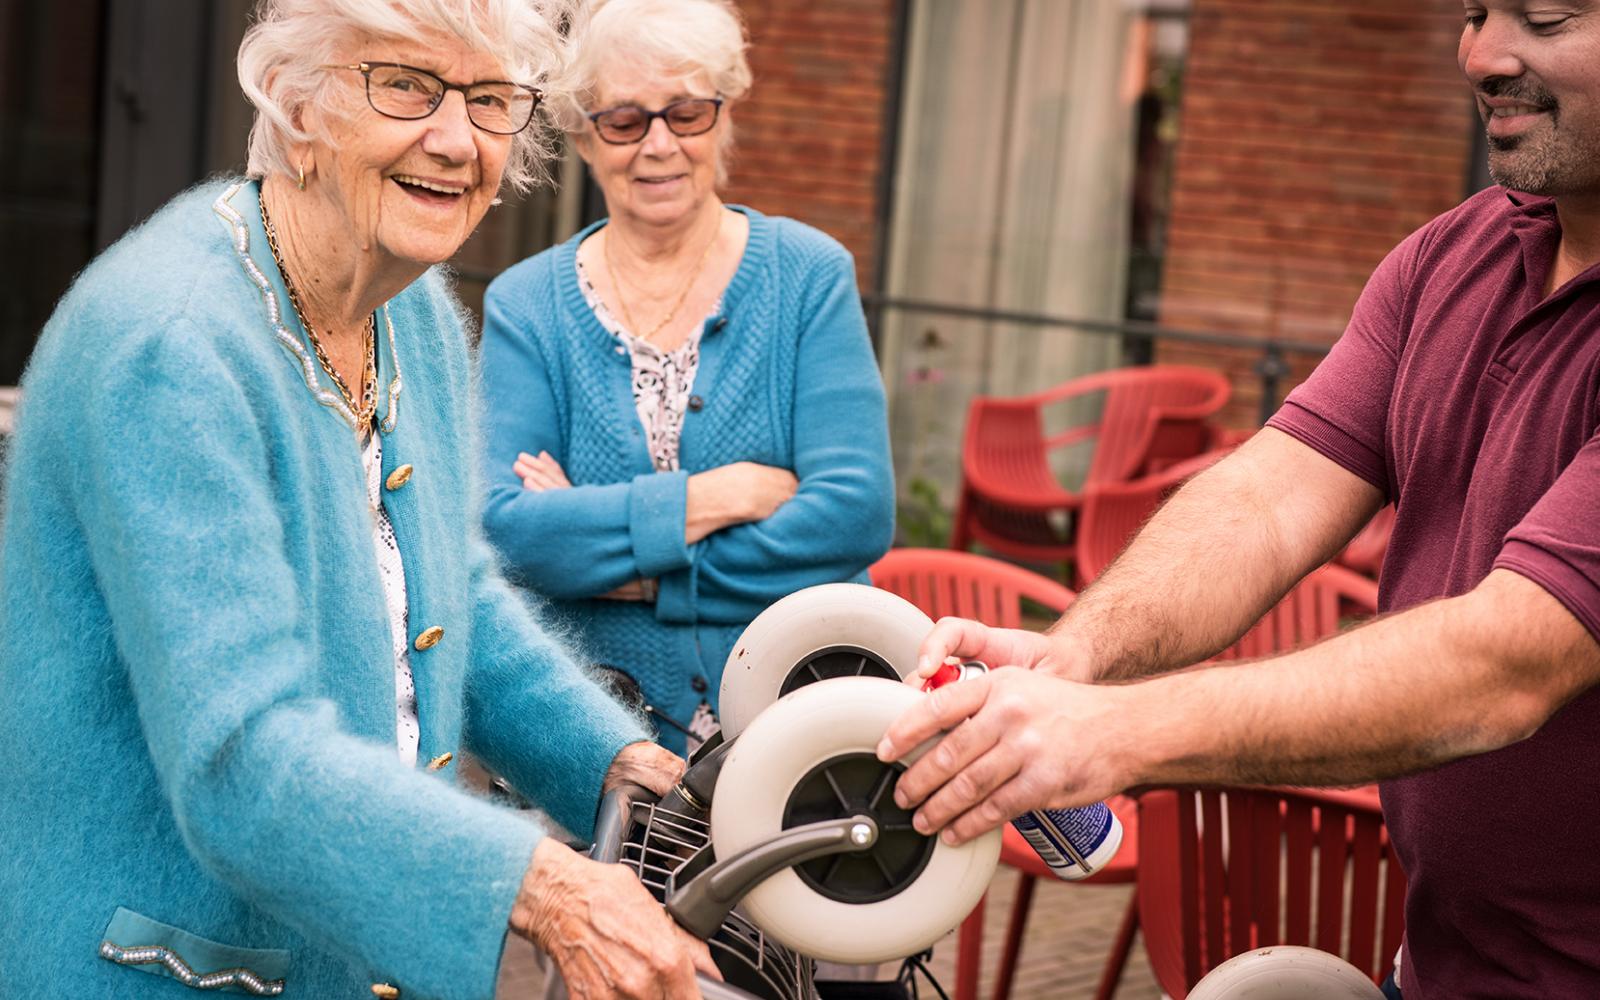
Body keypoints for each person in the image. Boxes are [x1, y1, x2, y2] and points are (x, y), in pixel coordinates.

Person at [878, 3, 1600, 998]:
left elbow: (1509, 660)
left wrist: (1116, 733)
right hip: (1443, 966)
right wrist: (1079, 655)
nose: (1480, 55)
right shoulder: (1452, 259)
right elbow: (1266, 498)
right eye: (1474, 11)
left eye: (1546, 14)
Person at [0, 2, 718, 997]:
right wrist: (543, 884)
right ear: (299, 102)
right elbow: (240, 757)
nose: (456, 140)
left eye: (489, 100)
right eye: (407, 86)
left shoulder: (409, 309)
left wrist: (622, 770)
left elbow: (454, 598)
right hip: (157, 968)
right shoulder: (172, 347)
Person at [478, 0, 895, 756]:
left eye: (687, 113)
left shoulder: (808, 278)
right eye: (625, 120)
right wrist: (718, 497)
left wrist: (636, 569)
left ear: (724, 116)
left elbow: (854, 515)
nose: (659, 145)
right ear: (583, 133)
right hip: (604, 742)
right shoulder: (527, 306)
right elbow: (509, 534)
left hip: (800, 730)